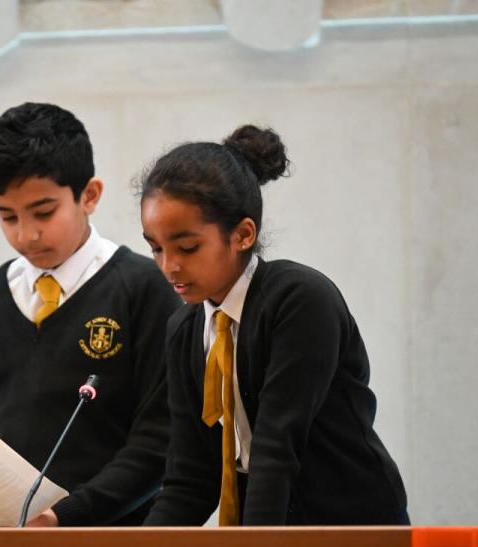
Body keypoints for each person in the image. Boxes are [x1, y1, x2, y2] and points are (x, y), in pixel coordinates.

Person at [140, 125, 408, 526]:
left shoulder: (299, 300)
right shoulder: (184, 328)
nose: (169, 266)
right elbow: (190, 476)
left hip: (351, 523)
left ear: (243, 234)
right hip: (267, 530)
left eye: (187, 247)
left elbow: (276, 448)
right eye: (156, 247)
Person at [0, 102, 181, 526]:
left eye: (43, 212)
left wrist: (65, 516)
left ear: (89, 195)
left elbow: (159, 442)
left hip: (114, 541)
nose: (26, 234)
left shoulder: (146, 289)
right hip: (8, 543)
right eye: (7, 216)